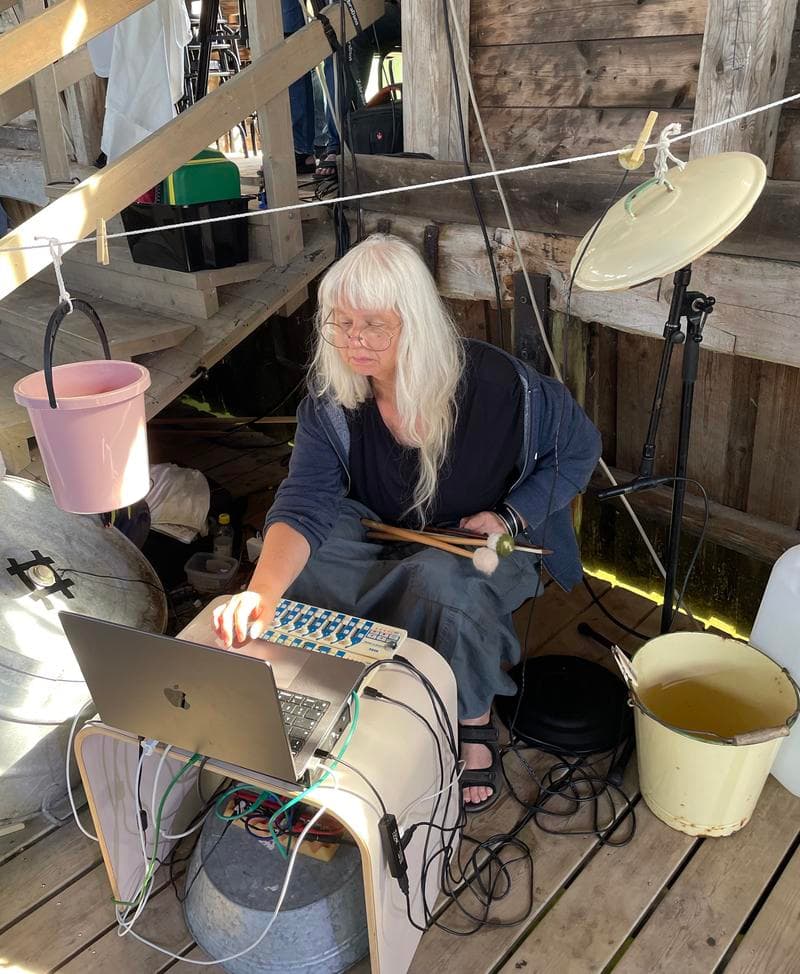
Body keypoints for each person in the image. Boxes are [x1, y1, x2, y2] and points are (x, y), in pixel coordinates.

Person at [214, 235, 602, 811]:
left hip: (483, 540)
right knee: (303, 560)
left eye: (374, 325)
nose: (353, 342)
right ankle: (353, 686)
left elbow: (580, 449)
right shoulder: (331, 401)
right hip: (380, 527)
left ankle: (472, 716)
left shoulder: (501, 388)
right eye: (340, 324)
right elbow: (304, 503)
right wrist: (260, 594)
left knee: (440, 584)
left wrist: (509, 514)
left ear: (415, 322)